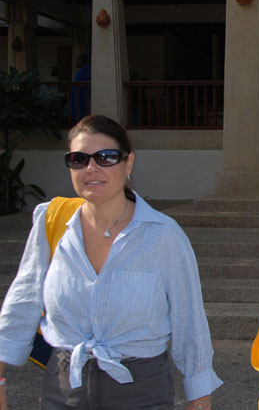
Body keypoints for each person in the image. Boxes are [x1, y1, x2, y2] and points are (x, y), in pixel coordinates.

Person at [0, 115, 222, 409]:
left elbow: (189, 321)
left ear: (128, 163)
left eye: (106, 157)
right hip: (63, 387)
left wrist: (201, 397)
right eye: (79, 159)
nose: (91, 168)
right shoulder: (51, 222)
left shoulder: (163, 235)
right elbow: (23, 299)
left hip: (140, 389)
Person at [70, 54, 91, 123]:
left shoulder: (85, 71)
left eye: (78, 60)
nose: (76, 62)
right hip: (79, 97)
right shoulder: (83, 71)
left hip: (83, 97)